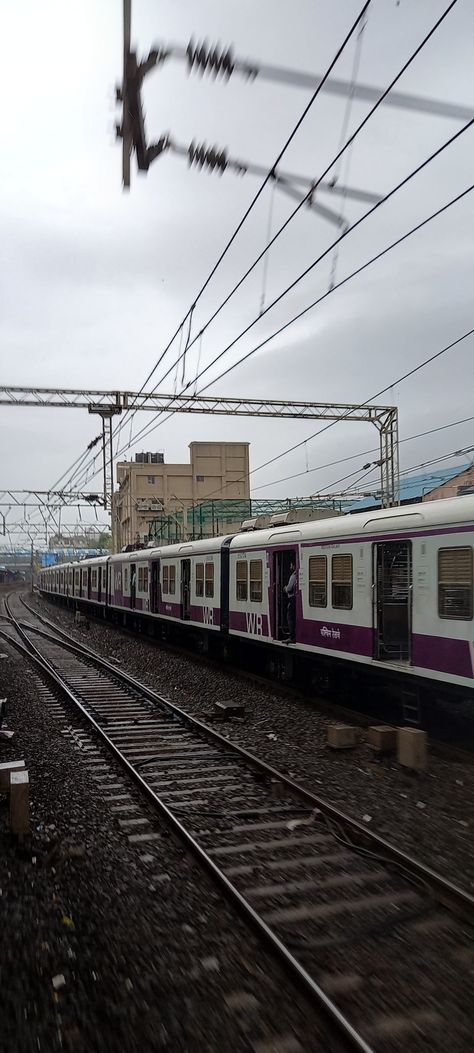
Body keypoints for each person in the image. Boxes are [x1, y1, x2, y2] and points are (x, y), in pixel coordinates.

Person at [283, 561, 297, 642]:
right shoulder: (297, 574)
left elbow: (289, 589)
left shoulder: (293, 576)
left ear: (294, 565)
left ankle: (292, 637)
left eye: (291, 564)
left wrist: (285, 588)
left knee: (290, 618)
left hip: (292, 599)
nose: (290, 566)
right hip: (296, 599)